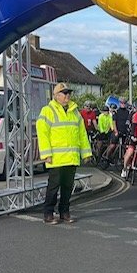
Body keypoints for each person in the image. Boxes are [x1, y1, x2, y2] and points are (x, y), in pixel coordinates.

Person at [37, 82, 92, 224]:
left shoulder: (75, 112)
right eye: (64, 93)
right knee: (53, 187)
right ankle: (48, 213)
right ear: (56, 96)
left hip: (71, 157)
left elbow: (82, 134)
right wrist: (46, 154)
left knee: (68, 187)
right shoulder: (47, 111)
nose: (68, 96)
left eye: (69, 93)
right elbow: (42, 134)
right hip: (56, 158)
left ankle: (64, 212)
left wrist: (86, 153)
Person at [106, 97, 130, 166]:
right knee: (113, 145)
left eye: (124, 103)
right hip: (117, 131)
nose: (123, 104)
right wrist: (116, 131)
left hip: (125, 132)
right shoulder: (116, 112)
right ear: (119, 103)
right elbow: (114, 122)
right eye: (121, 103)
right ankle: (107, 157)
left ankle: (122, 160)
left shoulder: (128, 112)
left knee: (125, 146)